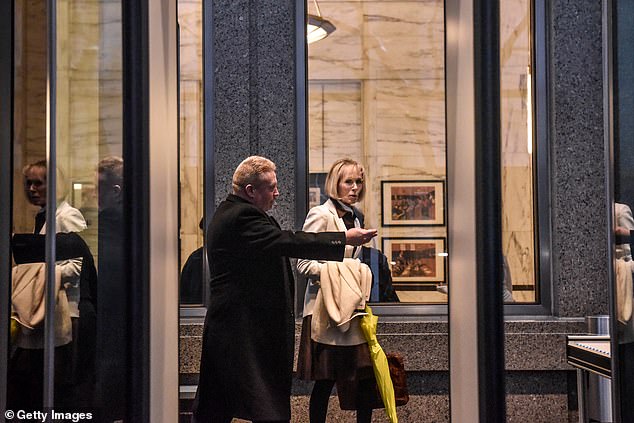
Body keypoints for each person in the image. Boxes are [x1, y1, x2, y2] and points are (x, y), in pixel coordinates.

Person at [192, 156, 376, 423]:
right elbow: (288, 241)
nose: (277, 193)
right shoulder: (241, 216)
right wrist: (343, 239)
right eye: (271, 187)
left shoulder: (235, 213)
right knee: (264, 409)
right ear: (250, 191)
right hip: (242, 332)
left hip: (236, 330)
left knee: (220, 407)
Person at [296, 158, 376, 423]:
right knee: (325, 381)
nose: (354, 187)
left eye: (358, 182)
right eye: (348, 181)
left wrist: (354, 272)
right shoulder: (321, 214)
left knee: (364, 378)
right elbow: (303, 263)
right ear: (335, 183)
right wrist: (341, 272)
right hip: (325, 309)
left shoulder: (356, 216)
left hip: (352, 309)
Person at [8, 160, 90, 411]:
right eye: (28, 183)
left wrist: (36, 274)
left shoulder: (67, 216)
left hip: (64, 311)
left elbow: (78, 265)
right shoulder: (44, 216)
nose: (32, 189)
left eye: (38, 183)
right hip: (46, 310)